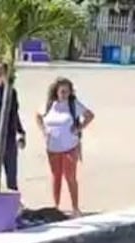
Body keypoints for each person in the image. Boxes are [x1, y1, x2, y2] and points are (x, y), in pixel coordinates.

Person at [36, 77, 94, 217]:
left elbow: (90, 115)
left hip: (70, 147)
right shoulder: (49, 104)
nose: (64, 94)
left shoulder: (73, 104)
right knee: (56, 177)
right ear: (56, 91)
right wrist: (43, 130)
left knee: (70, 177)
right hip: (52, 148)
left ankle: (75, 207)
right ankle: (56, 206)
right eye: (62, 91)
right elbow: (38, 116)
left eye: (67, 91)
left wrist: (79, 128)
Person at [0, 62, 27, 191]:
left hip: (10, 137)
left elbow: (14, 113)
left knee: (12, 175)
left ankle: (14, 203)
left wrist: (21, 131)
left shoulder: (12, 92)